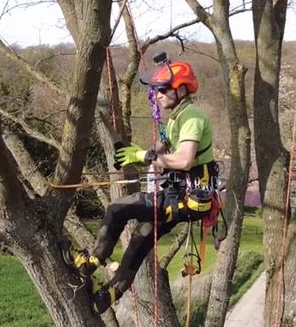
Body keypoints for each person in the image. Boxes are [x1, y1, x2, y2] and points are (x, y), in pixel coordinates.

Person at [71, 60, 217, 314]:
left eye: (163, 90)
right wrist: (132, 154)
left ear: (181, 90)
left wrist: (144, 156)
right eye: (156, 91)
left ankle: (91, 262)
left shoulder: (192, 117)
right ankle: (106, 298)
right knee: (140, 240)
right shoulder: (177, 119)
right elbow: (161, 156)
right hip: (177, 196)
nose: (157, 95)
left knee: (117, 209)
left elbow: (184, 159)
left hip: (183, 199)